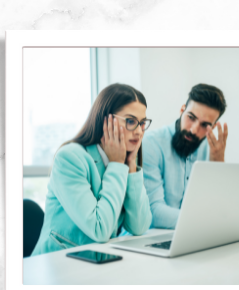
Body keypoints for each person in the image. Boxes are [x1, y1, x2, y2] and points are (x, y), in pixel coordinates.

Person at [31, 83, 153, 256]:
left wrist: (131, 165)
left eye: (142, 123)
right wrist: (117, 165)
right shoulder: (70, 158)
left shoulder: (124, 163)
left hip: (98, 264)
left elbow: (139, 226)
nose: (139, 132)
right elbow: (100, 230)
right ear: (106, 120)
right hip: (57, 265)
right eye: (131, 121)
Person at [142, 83, 228, 229]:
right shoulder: (150, 144)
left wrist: (217, 163)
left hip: (190, 234)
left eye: (204, 125)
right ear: (182, 110)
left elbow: (215, 206)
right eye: (191, 117)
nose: (193, 130)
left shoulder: (211, 148)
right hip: (154, 236)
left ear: (213, 127)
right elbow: (153, 212)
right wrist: (204, 222)